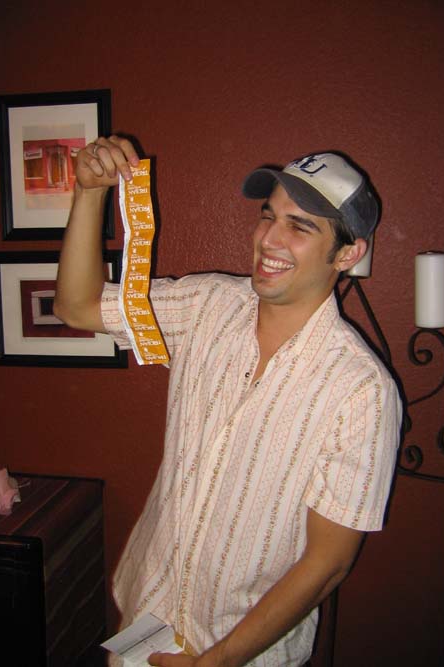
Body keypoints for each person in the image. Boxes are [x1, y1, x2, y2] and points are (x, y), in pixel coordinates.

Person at [54, 135, 402, 667]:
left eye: (300, 226)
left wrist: (215, 662)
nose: (269, 238)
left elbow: (327, 563)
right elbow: (76, 307)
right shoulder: (207, 305)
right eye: (268, 215)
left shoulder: (361, 391)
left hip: (245, 650)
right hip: (146, 617)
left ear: (348, 253)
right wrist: (88, 193)